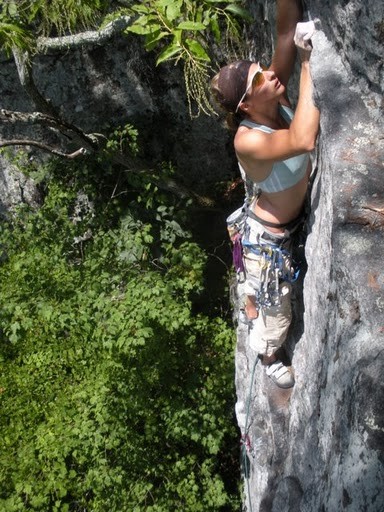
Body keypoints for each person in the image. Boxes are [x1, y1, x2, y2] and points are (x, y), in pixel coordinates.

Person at [210, 0, 320, 388]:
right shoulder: (248, 140)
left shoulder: (271, 94)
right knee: (276, 318)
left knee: (273, 301)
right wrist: (307, 63)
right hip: (269, 239)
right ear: (245, 104)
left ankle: (253, 303)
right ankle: (268, 354)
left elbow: (284, 31)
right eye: (258, 79)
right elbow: (304, 138)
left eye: (262, 70)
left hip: (290, 222)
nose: (269, 76)